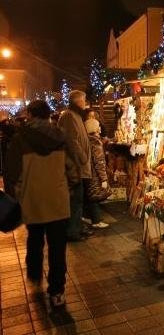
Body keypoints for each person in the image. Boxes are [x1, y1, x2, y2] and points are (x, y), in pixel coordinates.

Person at [4, 100, 70, 307]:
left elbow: (11, 173)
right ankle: (57, 291)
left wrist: (12, 197)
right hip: (58, 200)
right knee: (58, 248)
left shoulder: (20, 139)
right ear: (48, 115)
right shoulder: (61, 137)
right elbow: (72, 167)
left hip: (32, 200)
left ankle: (34, 276)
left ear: (31, 115)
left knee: (35, 240)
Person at [58, 90, 92, 241]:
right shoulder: (69, 116)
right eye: (83, 101)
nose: (85, 104)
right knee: (75, 200)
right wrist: (83, 158)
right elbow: (72, 141)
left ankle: (77, 227)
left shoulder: (76, 115)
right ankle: (72, 231)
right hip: (74, 167)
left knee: (79, 199)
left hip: (78, 166)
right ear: (78, 102)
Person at [82, 118, 110, 228]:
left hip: (88, 173)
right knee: (95, 197)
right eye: (98, 126)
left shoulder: (86, 141)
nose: (100, 129)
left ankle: (88, 217)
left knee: (90, 196)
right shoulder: (95, 143)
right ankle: (96, 221)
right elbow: (99, 162)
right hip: (95, 175)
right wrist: (104, 179)